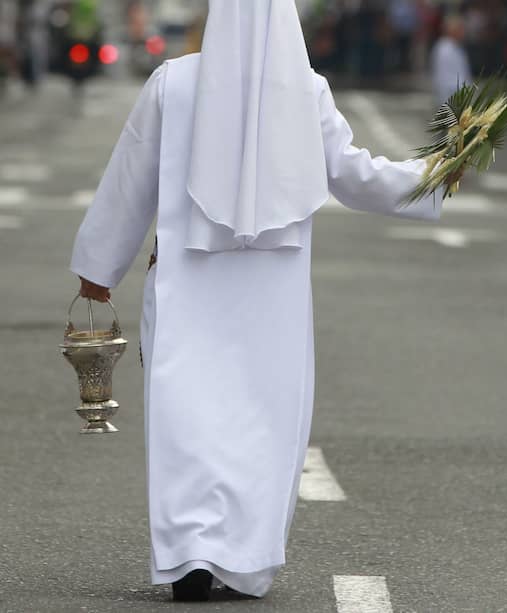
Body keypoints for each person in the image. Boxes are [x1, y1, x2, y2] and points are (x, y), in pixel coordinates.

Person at [70, 0, 452, 602]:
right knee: (260, 427)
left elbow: (129, 180)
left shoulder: (174, 83)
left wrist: (99, 269)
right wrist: (435, 172)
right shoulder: (306, 89)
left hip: (187, 287)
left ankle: (188, 555)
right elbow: (353, 176)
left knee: (186, 421)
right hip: (271, 298)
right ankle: (241, 561)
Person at [431, 13, 472, 106]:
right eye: (461, 29)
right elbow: (443, 76)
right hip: (451, 95)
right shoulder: (443, 48)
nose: (463, 32)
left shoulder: (457, 47)